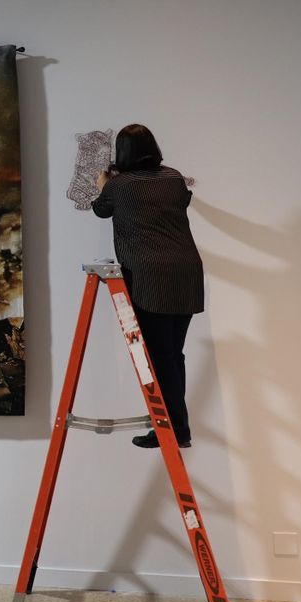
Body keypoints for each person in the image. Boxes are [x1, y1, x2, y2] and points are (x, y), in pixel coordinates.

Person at [91, 124, 204, 449]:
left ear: (121, 153)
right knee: (172, 354)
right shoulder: (172, 178)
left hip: (149, 276)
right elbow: (184, 199)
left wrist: (103, 184)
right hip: (186, 273)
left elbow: (101, 210)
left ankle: (173, 429)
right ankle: (178, 427)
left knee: (158, 356)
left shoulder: (120, 185)